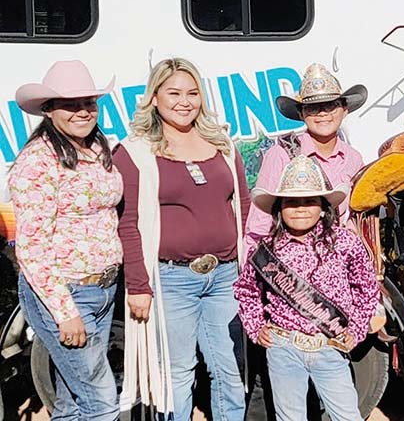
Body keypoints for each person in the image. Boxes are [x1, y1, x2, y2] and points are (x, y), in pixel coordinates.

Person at [115, 58, 249, 419]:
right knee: (176, 374)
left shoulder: (223, 146)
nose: (184, 101)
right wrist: (138, 285)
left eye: (192, 93)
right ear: (154, 97)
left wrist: (246, 266)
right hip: (171, 279)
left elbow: (244, 204)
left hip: (225, 277)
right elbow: (127, 222)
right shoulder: (135, 152)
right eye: (173, 93)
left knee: (231, 373)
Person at [10, 60, 121, 420]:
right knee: (101, 399)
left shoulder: (95, 149)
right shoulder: (37, 162)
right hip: (67, 292)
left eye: (88, 102)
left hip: (101, 288)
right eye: (71, 104)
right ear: (49, 110)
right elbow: (32, 247)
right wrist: (64, 313)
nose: (83, 111)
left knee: (74, 400)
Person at [234, 155, 379, 421]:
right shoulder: (265, 249)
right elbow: (246, 291)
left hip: (331, 344)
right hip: (283, 347)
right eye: (291, 202)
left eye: (310, 201)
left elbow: (366, 288)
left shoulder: (345, 242)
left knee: (347, 415)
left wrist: (356, 329)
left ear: (324, 207)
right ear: (278, 208)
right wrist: (255, 327)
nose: (301, 208)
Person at [246, 62, 366, 248]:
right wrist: (254, 266)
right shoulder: (281, 154)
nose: (323, 113)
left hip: (336, 258)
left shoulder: (353, 158)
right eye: (313, 108)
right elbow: (260, 223)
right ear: (302, 114)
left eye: (331, 105)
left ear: (345, 110)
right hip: (290, 259)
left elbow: (354, 214)